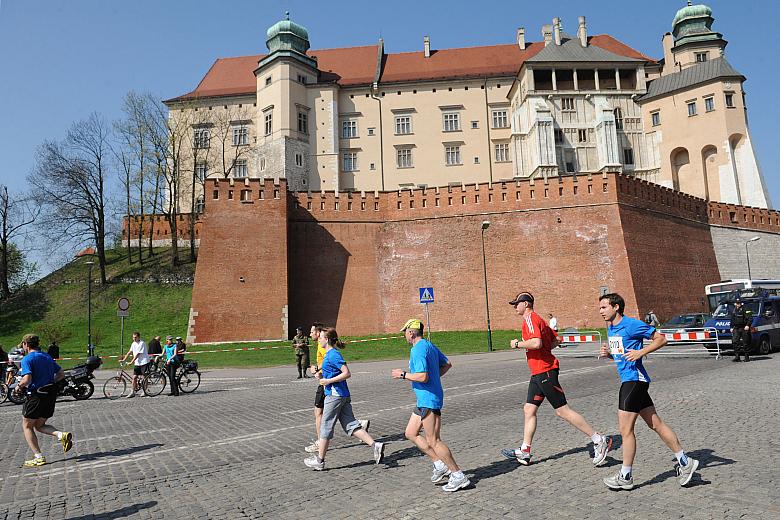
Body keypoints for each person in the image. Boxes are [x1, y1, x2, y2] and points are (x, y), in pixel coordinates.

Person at [598, 293, 699, 490]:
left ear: (616, 307)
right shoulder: (610, 327)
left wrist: (641, 352)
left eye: (604, 307)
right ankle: (685, 462)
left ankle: (625, 476)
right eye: (600, 308)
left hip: (633, 382)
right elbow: (623, 355)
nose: (600, 311)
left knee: (626, 431)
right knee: (657, 425)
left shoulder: (632, 324)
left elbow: (661, 339)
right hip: (634, 381)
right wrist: (610, 355)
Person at [501, 292, 611, 467]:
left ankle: (598, 439)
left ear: (526, 304)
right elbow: (556, 339)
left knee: (562, 411)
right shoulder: (539, 320)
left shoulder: (530, 319)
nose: (515, 307)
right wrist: (545, 351)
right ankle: (525, 450)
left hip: (545, 371)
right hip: (538, 372)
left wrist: (517, 344)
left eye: (517, 304)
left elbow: (536, 343)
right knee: (529, 409)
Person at [391, 318, 470, 492]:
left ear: (411, 332)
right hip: (423, 399)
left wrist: (403, 374)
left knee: (434, 440)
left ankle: (458, 475)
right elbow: (447, 364)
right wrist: (434, 377)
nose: (404, 335)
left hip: (429, 399)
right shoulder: (429, 345)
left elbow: (422, 376)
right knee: (410, 433)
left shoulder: (418, 349)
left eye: (405, 331)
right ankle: (439, 463)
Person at [304, 328, 385, 470]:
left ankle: (320, 461)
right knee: (350, 425)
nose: (319, 339)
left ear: (327, 339)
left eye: (321, 337)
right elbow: (329, 376)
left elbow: (347, 373)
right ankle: (375, 445)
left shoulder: (333, 355)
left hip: (335, 396)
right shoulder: (329, 355)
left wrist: (328, 382)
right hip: (341, 395)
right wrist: (320, 376)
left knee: (325, 426)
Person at [305, 323, 369, 453]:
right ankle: (374, 444)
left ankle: (320, 450)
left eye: (312, 332)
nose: (310, 334)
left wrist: (318, 372)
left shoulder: (328, 349)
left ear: (320, 335)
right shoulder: (323, 346)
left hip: (332, 389)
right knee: (345, 422)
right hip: (332, 387)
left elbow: (334, 366)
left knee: (324, 420)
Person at [15, 334, 73, 467]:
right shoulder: (46, 356)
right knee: (39, 425)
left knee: (27, 426)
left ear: (26, 344)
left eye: (23, 345)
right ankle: (61, 435)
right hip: (50, 396)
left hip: (36, 396)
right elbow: (61, 374)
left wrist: (18, 387)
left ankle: (38, 457)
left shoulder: (27, 359)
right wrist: (50, 383)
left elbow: (27, 379)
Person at [120, 331, 150, 398]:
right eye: (133, 337)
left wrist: (131, 361)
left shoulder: (142, 343)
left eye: (135, 337)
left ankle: (145, 390)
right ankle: (132, 391)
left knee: (144, 377)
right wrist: (124, 359)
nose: (134, 339)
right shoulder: (133, 343)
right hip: (137, 363)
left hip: (144, 362)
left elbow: (138, 354)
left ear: (139, 337)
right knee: (134, 377)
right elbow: (130, 352)